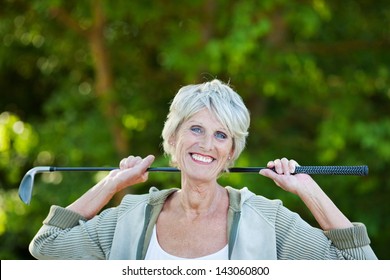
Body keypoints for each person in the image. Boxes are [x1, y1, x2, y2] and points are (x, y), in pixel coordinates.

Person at [29, 79, 377, 260]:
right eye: (196, 129)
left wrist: (307, 188)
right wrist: (110, 185)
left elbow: (361, 265)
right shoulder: (131, 216)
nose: (207, 144)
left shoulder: (267, 220)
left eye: (221, 135)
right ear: (174, 138)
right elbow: (47, 245)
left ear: (230, 154)